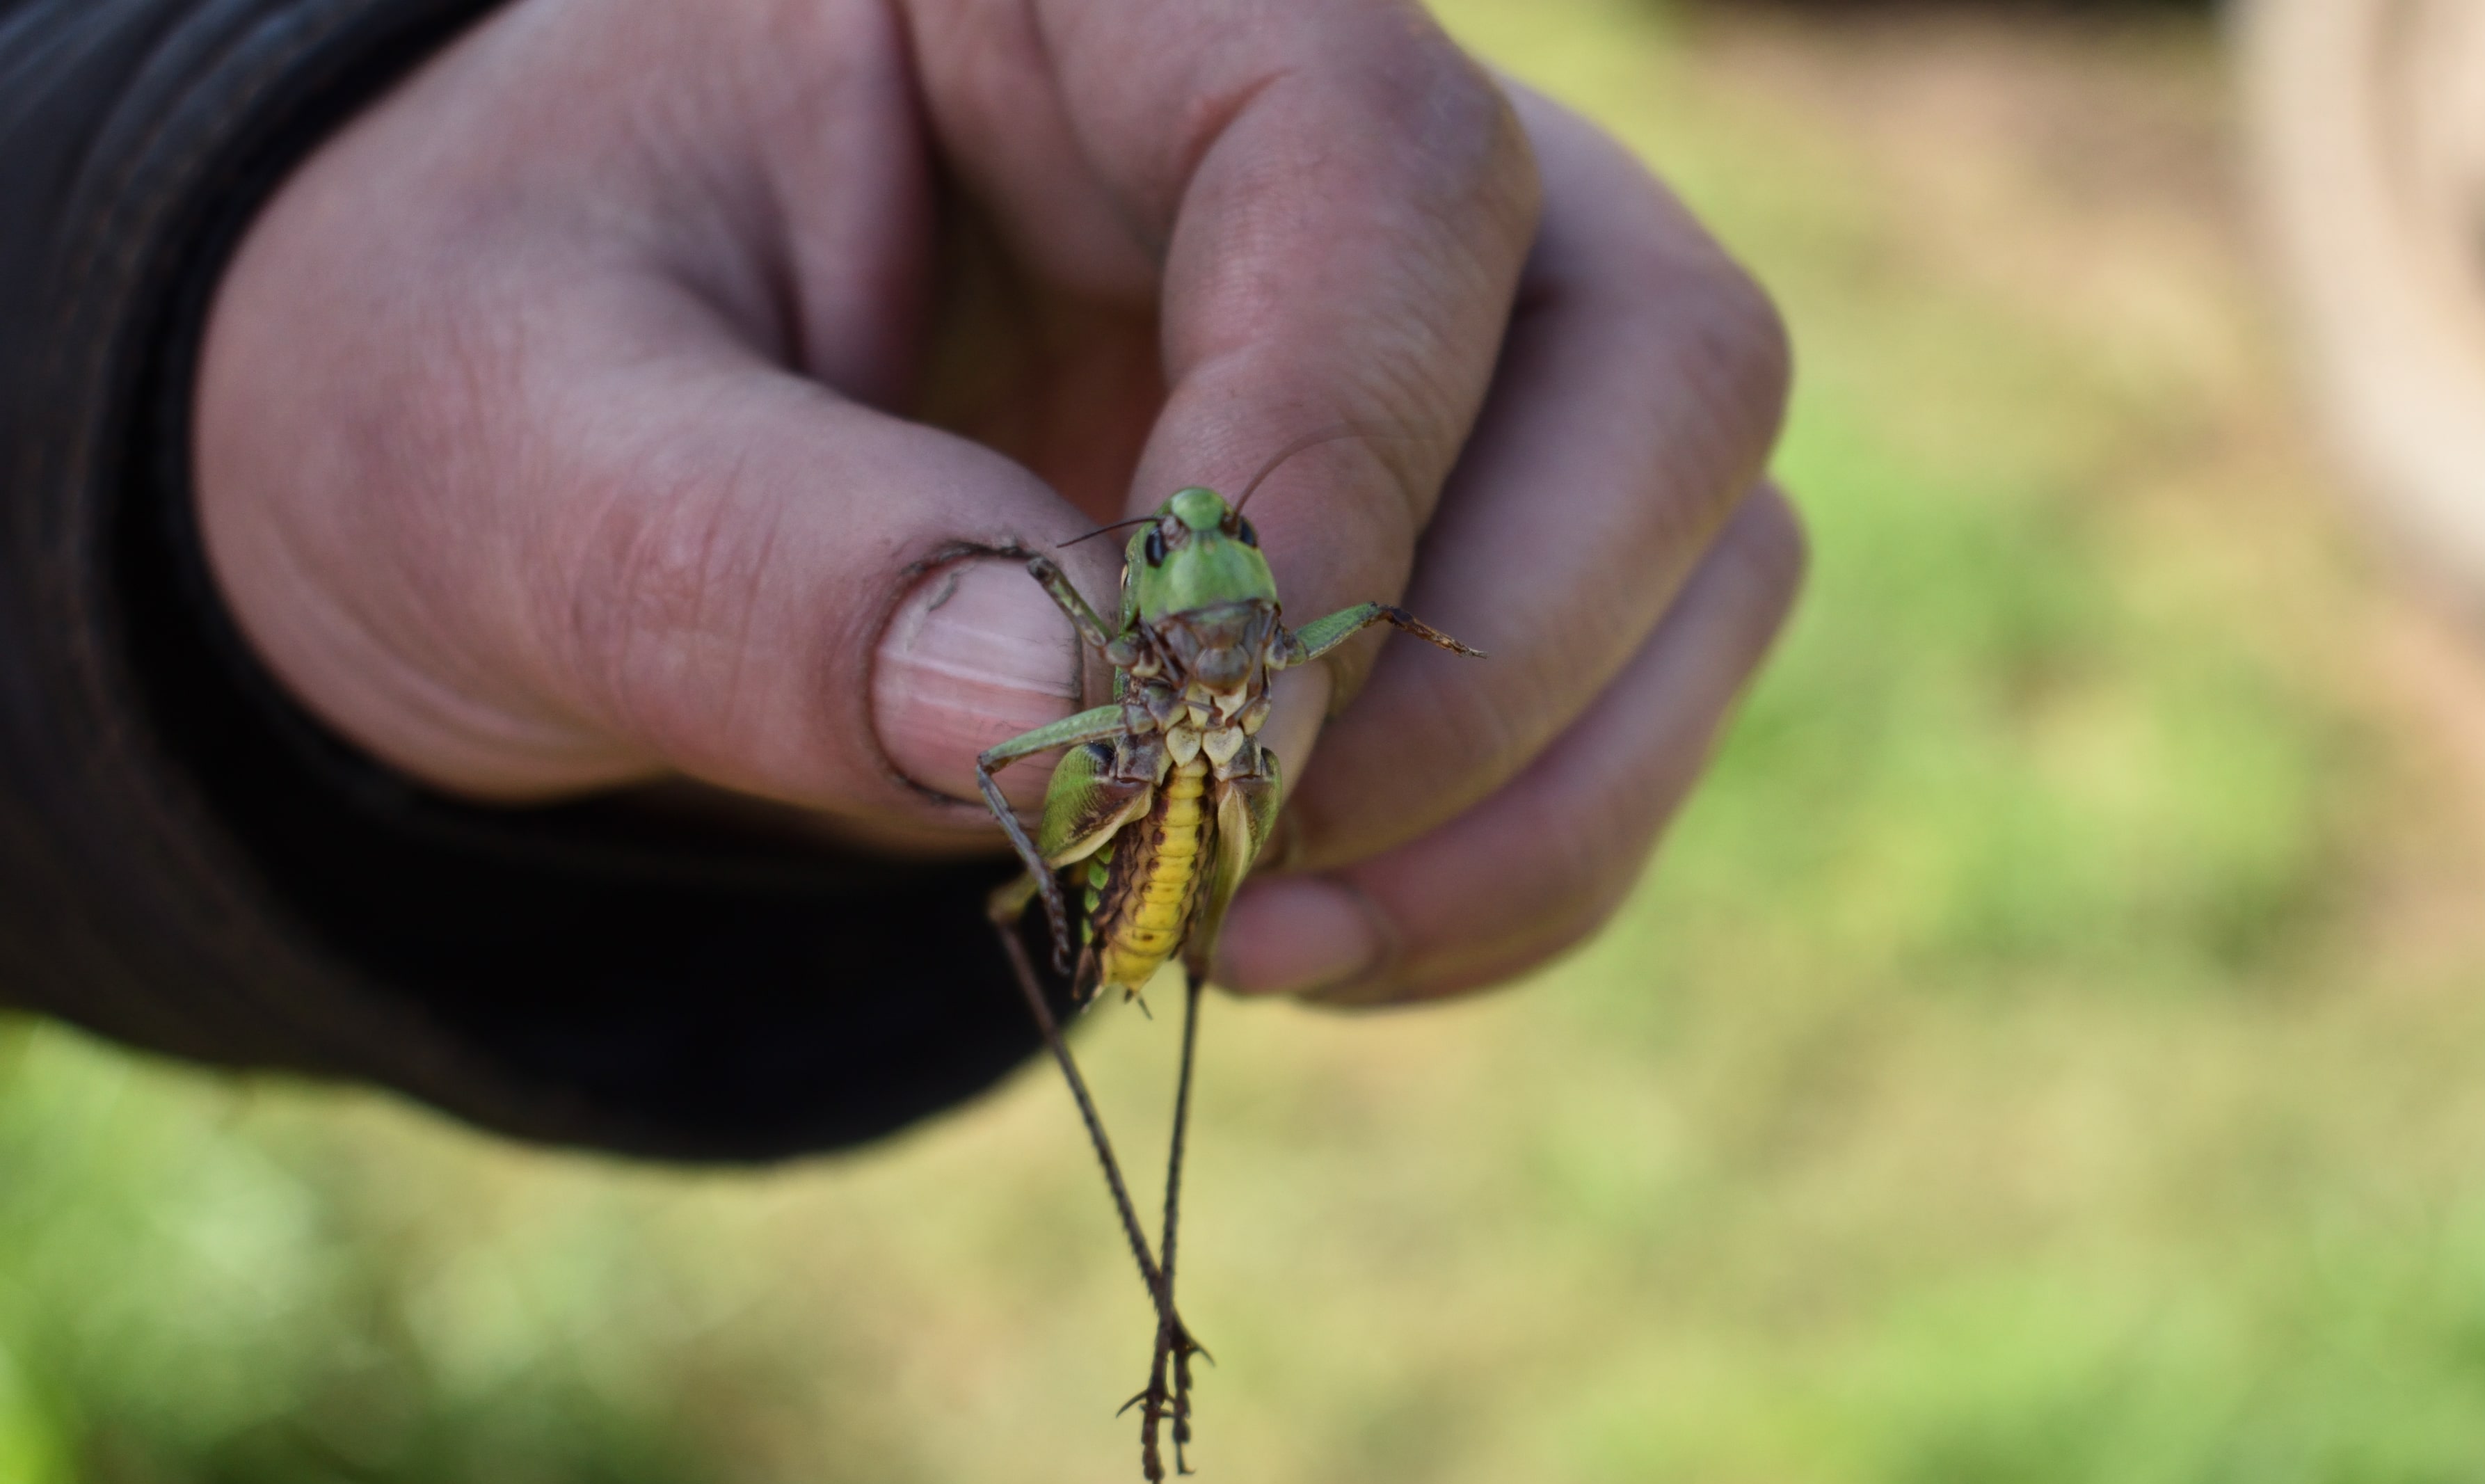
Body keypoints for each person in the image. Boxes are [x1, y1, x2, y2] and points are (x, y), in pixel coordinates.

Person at [0, 0, 1801, 1160]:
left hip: (1193, 827)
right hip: (1121, 826)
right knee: (1077, 934)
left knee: (1191, 958)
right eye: (1178, 546)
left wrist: (1401, 628)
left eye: (1207, 542)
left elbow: (1349, 613)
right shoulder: (1127, 608)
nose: (1191, 549)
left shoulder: (1259, 586)